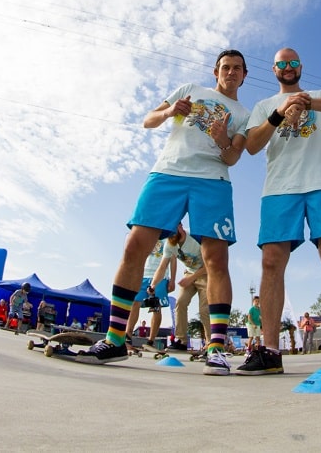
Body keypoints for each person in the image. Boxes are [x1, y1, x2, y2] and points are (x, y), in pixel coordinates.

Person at [78, 50, 250, 376]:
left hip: (212, 182)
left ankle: (216, 349)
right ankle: (115, 339)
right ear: (216, 71)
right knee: (134, 246)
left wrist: (222, 140)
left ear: (244, 75)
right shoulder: (190, 90)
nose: (231, 72)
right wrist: (171, 111)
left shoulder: (244, 114)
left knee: (216, 260)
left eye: (237, 69)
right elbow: (148, 120)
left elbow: (232, 158)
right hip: (168, 173)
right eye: (225, 67)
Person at [237, 48, 321, 375]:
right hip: (279, 188)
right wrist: (280, 113)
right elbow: (252, 146)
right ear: (273, 69)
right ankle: (270, 351)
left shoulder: (318, 96)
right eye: (281, 63)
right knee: (271, 263)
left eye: (293, 62)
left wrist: (308, 103)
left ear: (300, 67)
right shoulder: (264, 105)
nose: (288, 67)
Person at [164, 222, 210, 352]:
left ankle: (211, 343)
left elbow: (210, 263)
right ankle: (181, 341)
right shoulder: (169, 243)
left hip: (205, 273)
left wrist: (191, 278)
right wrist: (155, 284)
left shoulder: (196, 237)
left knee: (204, 309)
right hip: (189, 274)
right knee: (180, 303)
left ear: (180, 226)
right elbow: (163, 265)